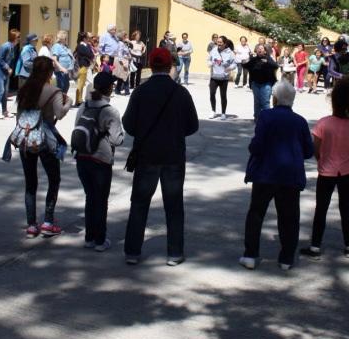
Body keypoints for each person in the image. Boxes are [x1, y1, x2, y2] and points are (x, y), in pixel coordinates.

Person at [122, 47, 199, 266]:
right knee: (174, 205)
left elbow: (128, 125)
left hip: (146, 154)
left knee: (139, 203)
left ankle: (132, 252)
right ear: (169, 66)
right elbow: (192, 126)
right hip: (173, 155)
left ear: (151, 65)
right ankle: (174, 253)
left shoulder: (140, 91)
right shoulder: (180, 92)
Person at [240, 81, 315, 270]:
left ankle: (250, 254)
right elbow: (308, 151)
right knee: (289, 217)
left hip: (265, 173)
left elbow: (257, 145)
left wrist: (252, 147)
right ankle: (286, 258)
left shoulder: (266, 116)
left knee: (256, 213)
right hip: (290, 175)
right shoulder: (300, 121)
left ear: (274, 98)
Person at [300, 84, 349, 260]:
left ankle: (315, 247)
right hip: (347, 171)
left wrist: (320, 158)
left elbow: (316, 148)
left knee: (321, 208)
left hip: (327, 170)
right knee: (346, 208)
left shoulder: (323, 123)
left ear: (333, 102)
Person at [17, 56, 73, 237]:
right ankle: (48, 220)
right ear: (50, 72)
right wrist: (69, 102)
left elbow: (19, 116)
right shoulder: (53, 90)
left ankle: (32, 225)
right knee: (53, 179)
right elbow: (60, 113)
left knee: (30, 183)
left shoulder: (25, 89)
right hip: (46, 139)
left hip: (26, 138)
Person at [73, 72, 125, 251]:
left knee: (90, 198)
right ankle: (100, 240)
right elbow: (117, 139)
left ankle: (89, 237)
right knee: (101, 200)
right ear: (110, 88)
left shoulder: (84, 105)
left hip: (82, 157)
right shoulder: (110, 111)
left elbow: (76, 127)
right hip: (101, 159)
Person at [247, 44, 278, 121]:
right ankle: (257, 118)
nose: (260, 50)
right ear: (256, 50)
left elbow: (275, 66)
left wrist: (267, 62)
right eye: (258, 48)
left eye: (261, 48)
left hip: (266, 84)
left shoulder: (268, 58)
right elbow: (250, 72)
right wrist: (250, 83)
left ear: (264, 51)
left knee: (265, 102)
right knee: (257, 102)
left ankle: (267, 118)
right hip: (256, 83)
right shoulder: (253, 59)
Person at [0, 29, 20, 119]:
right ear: (14, 38)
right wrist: (7, 67)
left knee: (5, 92)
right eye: (18, 37)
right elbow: (0, 59)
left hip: (5, 73)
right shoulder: (5, 46)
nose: (19, 39)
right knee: (0, 91)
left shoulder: (13, 47)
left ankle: (5, 111)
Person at [207, 35, 236, 120]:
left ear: (225, 43)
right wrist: (209, 63)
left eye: (220, 42)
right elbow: (209, 59)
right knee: (212, 93)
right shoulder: (213, 50)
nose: (218, 44)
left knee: (223, 95)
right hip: (214, 77)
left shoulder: (229, 53)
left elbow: (234, 63)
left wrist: (230, 68)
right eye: (218, 42)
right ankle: (213, 111)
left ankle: (223, 113)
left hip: (224, 78)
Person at [74, 32, 95, 106]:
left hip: (87, 66)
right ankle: (78, 100)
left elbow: (91, 55)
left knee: (89, 82)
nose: (89, 39)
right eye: (88, 38)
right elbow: (89, 54)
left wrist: (90, 54)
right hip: (82, 66)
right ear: (84, 38)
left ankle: (86, 98)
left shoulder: (87, 45)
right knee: (81, 84)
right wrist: (90, 54)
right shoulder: (80, 46)